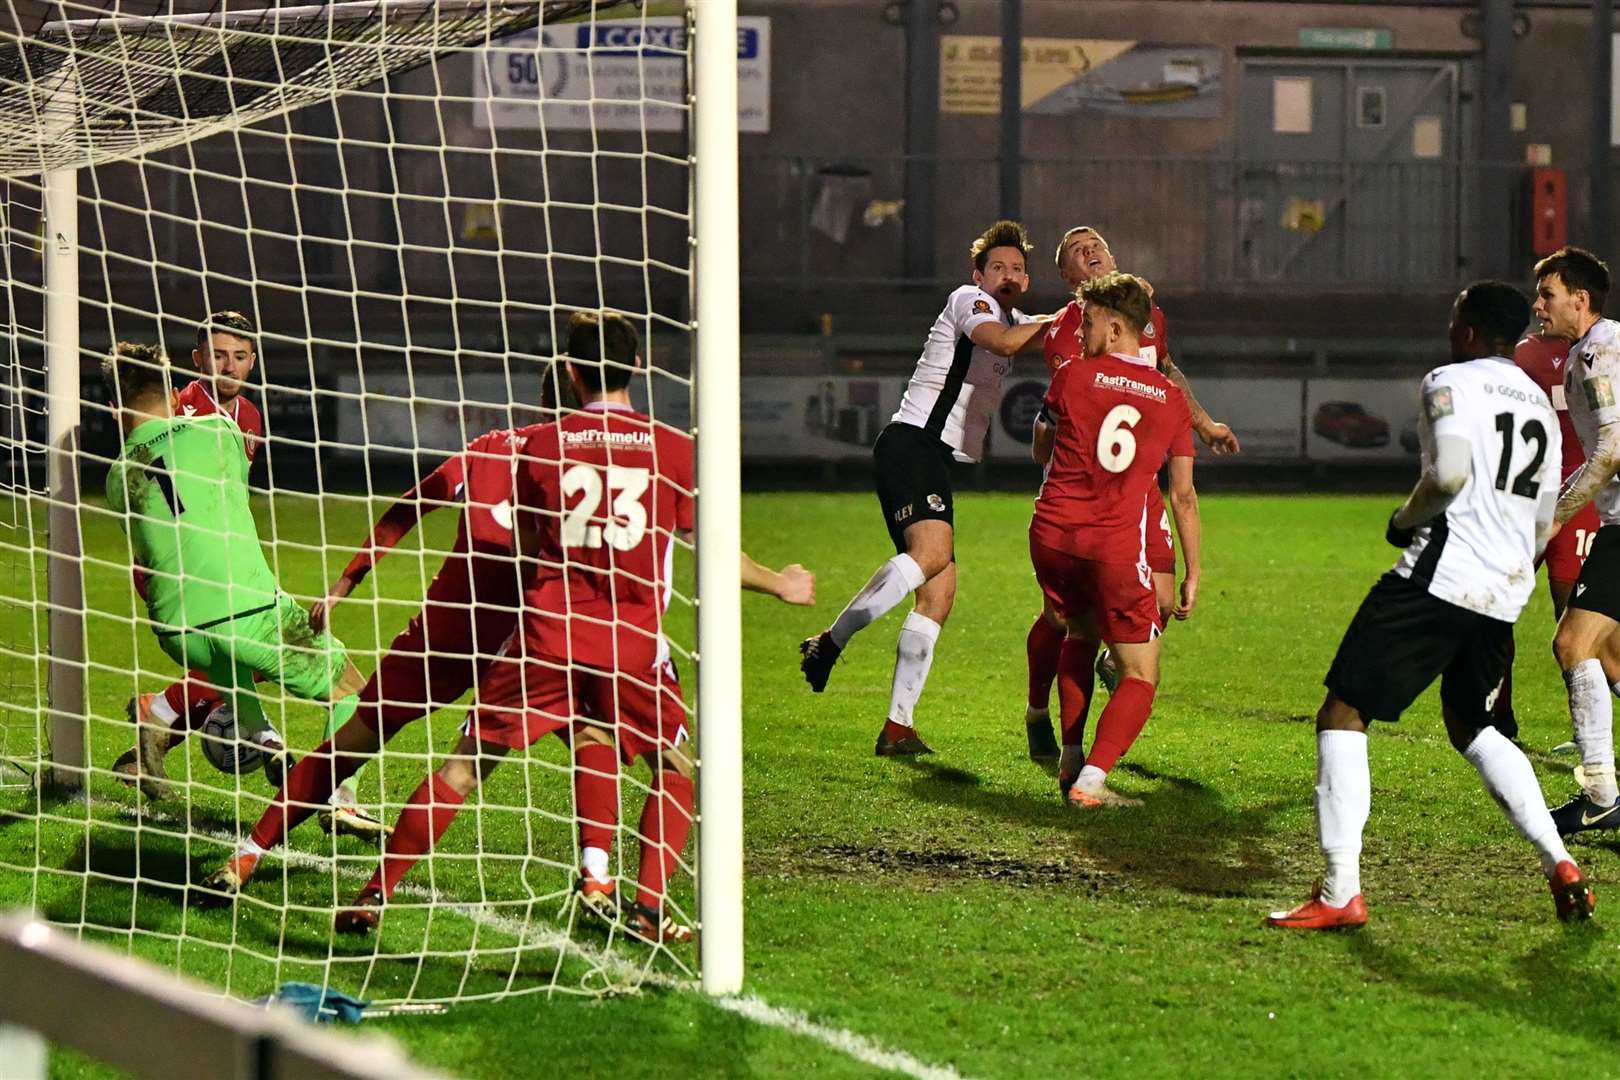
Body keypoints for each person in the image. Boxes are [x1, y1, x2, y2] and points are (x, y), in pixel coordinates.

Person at [199, 313, 811, 938]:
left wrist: (348, 580)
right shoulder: (665, 448)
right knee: (606, 740)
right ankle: (612, 884)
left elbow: (422, 507)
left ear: (562, 386)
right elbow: (689, 543)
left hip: (467, 631)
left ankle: (261, 856)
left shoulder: (506, 449)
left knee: (374, 740)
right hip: (567, 632)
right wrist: (776, 581)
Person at [1268, 281, 1591, 930]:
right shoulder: (1537, 403)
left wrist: (1402, 518)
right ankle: (1558, 859)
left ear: (1471, 331)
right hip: (1503, 589)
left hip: (1441, 576)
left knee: (1344, 711)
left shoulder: (1449, 379)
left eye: (1453, 320)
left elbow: (1447, 473)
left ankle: (1341, 890)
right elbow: (1544, 514)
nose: (1448, 331)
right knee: (1475, 726)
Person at [800, 220, 1051, 756]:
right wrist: (1067, 318)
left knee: (938, 594)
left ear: (1026, 281)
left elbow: (1051, 332)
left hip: (930, 456)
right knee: (931, 554)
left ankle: (897, 727)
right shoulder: (970, 302)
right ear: (978, 275)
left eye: (1017, 269)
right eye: (998, 267)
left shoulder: (1018, 316)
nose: (1007, 276)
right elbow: (1003, 340)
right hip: (911, 444)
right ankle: (831, 641)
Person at [103, 342, 365, 801]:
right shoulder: (219, 431)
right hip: (243, 604)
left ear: (110, 408)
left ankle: (222, 726)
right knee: (354, 692)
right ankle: (340, 799)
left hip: (175, 625)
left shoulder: (115, 480)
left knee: (233, 661)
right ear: (178, 384)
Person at [1024, 227, 1238, 760]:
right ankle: (1039, 715)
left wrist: (1205, 424)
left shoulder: (1146, 317)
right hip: (1088, 489)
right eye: (1077, 251)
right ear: (1069, 278)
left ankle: (1109, 671)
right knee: (1068, 621)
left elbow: (1165, 374)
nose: (1090, 250)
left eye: (1096, 243)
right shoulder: (1066, 335)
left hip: (1138, 488)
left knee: (1160, 601)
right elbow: (1070, 420)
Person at [1028, 272, 1200, 807]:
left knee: (1079, 635)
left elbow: (1042, 448)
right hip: (1112, 546)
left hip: (1052, 536)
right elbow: (1184, 497)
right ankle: (1093, 780)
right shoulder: (1171, 399)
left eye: (1090, 322)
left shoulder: (1072, 377)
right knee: (1141, 675)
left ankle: (1071, 758)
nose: (1080, 332)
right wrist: (1194, 570)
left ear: (1118, 325)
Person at [1533, 247, 1620, 834]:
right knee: (1610, 656)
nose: (1538, 306)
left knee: (1572, 644)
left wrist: (1556, 515)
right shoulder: (1591, 350)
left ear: (1579, 300)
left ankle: (1600, 794)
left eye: (1547, 294)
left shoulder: (1599, 353)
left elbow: (1610, 449)